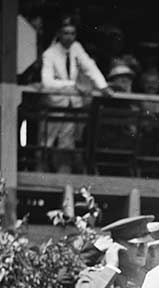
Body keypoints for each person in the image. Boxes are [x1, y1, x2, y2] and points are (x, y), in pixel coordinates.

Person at [40, 16, 111, 173]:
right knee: (47, 139)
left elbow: (89, 66)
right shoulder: (49, 54)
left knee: (67, 140)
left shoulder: (76, 48)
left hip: (71, 103)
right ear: (59, 34)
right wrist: (73, 85)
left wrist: (103, 86)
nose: (69, 37)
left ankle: (63, 174)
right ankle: (41, 171)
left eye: (72, 33)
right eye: (66, 33)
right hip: (55, 102)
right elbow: (47, 82)